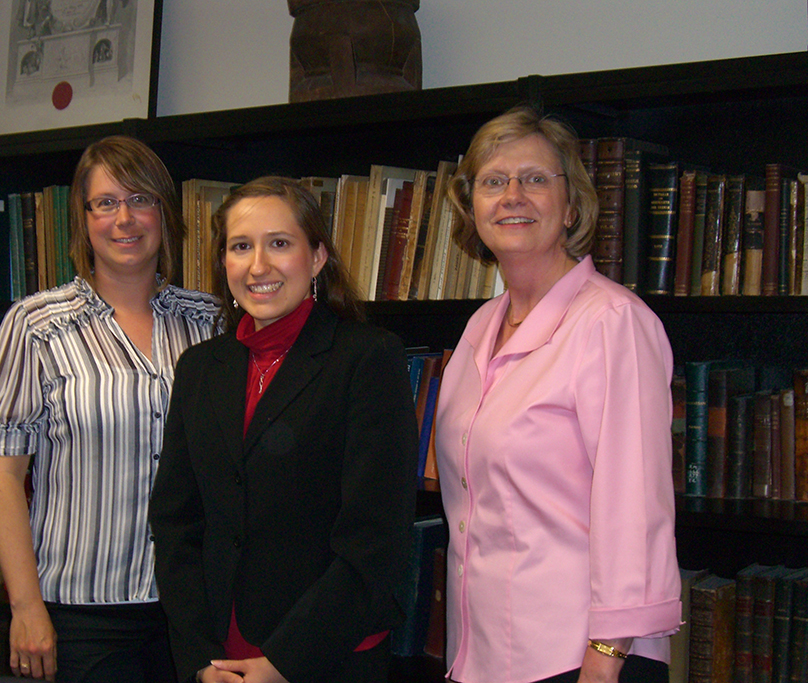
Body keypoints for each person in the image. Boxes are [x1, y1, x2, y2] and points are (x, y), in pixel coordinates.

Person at [434, 106, 681, 683]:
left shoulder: (613, 322)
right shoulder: (479, 328)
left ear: (572, 206)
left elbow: (635, 504)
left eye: (536, 179)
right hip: (484, 652)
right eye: (494, 182)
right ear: (473, 207)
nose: (513, 195)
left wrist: (607, 655)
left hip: (581, 657)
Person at [148, 176, 419, 683]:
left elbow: (375, 537)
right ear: (223, 262)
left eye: (279, 244)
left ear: (317, 257)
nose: (258, 266)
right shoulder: (200, 367)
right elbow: (175, 522)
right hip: (219, 657)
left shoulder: (367, 358)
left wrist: (285, 663)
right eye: (241, 247)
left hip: (328, 652)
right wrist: (198, 660)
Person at [0, 135, 219, 682]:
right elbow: (3, 477)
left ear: (164, 212)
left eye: (141, 199)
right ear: (83, 219)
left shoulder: (211, 323)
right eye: (105, 203)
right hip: (83, 616)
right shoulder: (37, 325)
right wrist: (25, 607)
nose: (124, 219)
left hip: (196, 611)